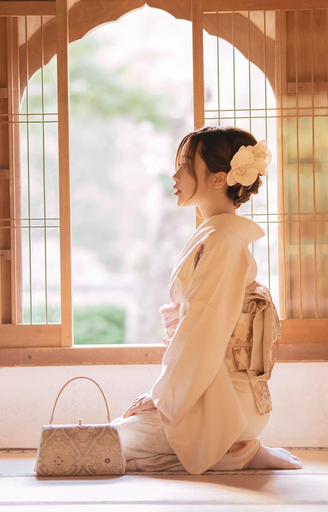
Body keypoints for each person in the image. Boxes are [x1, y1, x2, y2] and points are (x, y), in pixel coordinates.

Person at [110, 126, 303, 474]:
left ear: (217, 179)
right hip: (221, 392)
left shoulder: (222, 243)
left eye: (185, 164)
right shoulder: (217, 235)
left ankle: (235, 449)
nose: (175, 174)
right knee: (117, 438)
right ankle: (241, 448)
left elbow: (202, 330)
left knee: (107, 445)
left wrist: (160, 396)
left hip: (224, 403)